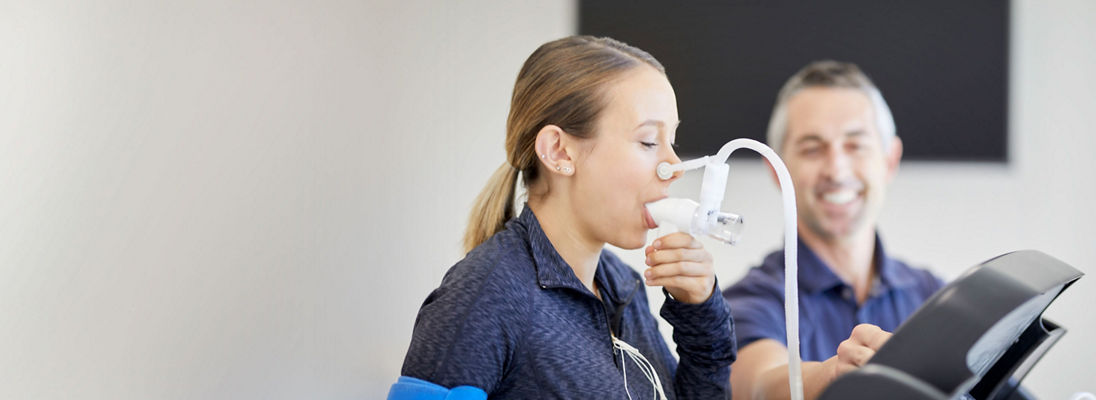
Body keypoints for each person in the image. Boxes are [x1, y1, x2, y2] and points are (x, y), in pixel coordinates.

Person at [395, 35, 735, 399]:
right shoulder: (486, 296)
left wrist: (702, 314)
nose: (674, 166)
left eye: (673, 142)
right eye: (649, 142)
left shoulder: (622, 286)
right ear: (559, 151)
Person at [724, 61, 943, 400]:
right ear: (775, 170)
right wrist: (833, 377)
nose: (836, 169)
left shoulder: (934, 298)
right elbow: (759, 385)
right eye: (812, 148)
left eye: (855, 145)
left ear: (890, 160)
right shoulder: (750, 302)